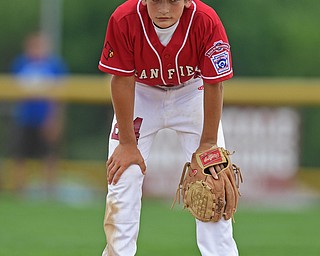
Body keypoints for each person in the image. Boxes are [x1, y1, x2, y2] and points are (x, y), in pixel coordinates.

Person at [98, 0, 237, 255]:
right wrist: (127, 144)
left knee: (213, 182)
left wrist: (208, 144)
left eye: (172, 0)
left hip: (191, 93)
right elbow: (121, 79)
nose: (164, 8)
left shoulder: (205, 20)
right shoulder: (124, 18)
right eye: (156, 0)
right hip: (141, 93)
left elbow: (214, 83)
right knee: (123, 178)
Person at [10, 31, 68, 196]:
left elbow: (61, 96)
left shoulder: (55, 65)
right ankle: (19, 190)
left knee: (49, 154)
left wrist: (55, 120)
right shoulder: (20, 63)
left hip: (46, 117)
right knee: (20, 154)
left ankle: (49, 191)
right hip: (24, 118)